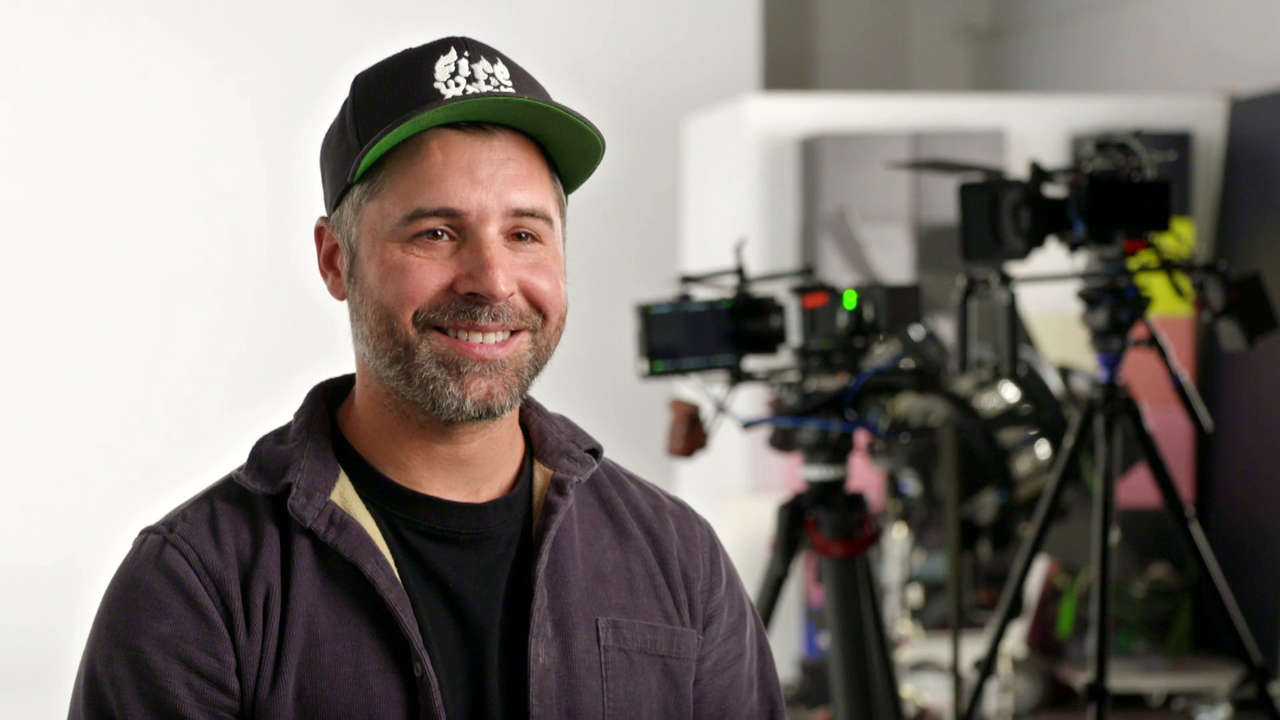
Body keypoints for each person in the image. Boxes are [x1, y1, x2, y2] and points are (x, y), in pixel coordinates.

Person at [69, 36, 784, 719]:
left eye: (524, 234)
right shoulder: (196, 585)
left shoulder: (679, 559)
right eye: (436, 233)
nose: (491, 280)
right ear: (335, 259)